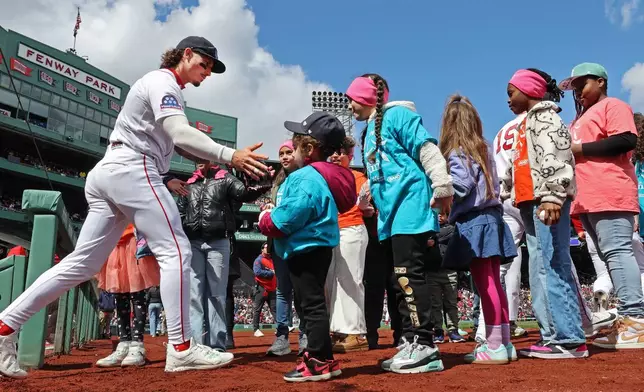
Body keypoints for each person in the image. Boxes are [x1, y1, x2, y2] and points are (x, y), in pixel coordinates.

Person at [0, 36, 270, 378]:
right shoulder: (163, 81)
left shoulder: (161, 87)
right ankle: (182, 348)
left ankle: (4, 328)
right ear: (186, 55)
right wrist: (230, 155)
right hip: (132, 168)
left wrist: (209, 158)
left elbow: (178, 143)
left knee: (82, 265)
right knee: (177, 253)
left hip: (109, 172)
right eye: (204, 64)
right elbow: (180, 133)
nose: (207, 73)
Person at [346, 74, 453, 374]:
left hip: (411, 208)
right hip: (390, 217)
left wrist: (441, 183)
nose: (350, 104)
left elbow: (426, 149)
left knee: (408, 277)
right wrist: (366, 195)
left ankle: (426, 345)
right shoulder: (369, 130)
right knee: (398, 282)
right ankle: (410, 340)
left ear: (368, 97)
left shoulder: (398, 115)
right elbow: (379, 170)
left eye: (353, 97)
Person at [258, 112, 356, 382]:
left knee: (311, 305)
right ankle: (323, 358)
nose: (292, 149)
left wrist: (266, 219)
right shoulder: (317, 176)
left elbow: (288, 218)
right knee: (309, 304)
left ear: (309, 149)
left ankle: (318, 360)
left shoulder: (306, 177)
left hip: (306, 246)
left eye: (296, 144)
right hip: (316, 245)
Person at [502, 68, 588, 359]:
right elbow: (523, 161)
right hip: (529, 202)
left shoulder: (546, 117)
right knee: (538, 269)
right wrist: (507, 188)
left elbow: (558, 156)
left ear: (530, 91)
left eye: (511, 92)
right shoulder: (527, 122)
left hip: (546, 200)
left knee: (553, 265)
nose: (508, 100)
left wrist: (553, 195)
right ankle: (552, 335)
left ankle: (570, 338)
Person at [559, 63, 644, 349]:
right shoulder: (579, 118)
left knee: (618, 252)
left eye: (582, 84)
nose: (577, 92)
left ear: (601, 82)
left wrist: (579, 149)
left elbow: (626, 139)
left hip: (610, 189)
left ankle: (637, 320)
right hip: (587, 197)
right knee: (610, 259)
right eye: (574, 87)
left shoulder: (613, 105)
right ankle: (627, 319)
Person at [437, 94, 517, 364]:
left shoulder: (458, 152)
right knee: (494, 282)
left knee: (486, 284)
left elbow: (460, 187)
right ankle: (504, 343)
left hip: (475, 221)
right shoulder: (482, 147)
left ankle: (494, 345)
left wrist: (436, 193)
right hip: (492, 218)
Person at [178, 161, 267, 351]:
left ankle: (217, 345)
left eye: (203, 153)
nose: (200, 158)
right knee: (194, 295)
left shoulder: (225, 178)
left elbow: (244, 192)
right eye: (196, 155)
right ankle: (196, 345)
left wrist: (258, 178)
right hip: (193, 242)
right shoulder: (190, 182)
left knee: (217, 294)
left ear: (211, 157)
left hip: (218, 241)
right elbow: (180, 210)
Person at [327, 136, 370, 353]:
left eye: (341, 152)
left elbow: (367, 206)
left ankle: (357, 333)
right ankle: (341, 330)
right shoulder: (325, 176)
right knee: (336, 282)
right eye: (333, 151)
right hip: (333, 232)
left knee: (351, 280)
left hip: (352, 228)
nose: (336, 156)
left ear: (350, 156)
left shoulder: (358, 177)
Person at [95, 225, 159, 367]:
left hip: (134, 241)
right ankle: (124, 343)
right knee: (120, 295)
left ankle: (137, 346)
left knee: (137, 295)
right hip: (113, 244)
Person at [267, 140, 308, 356]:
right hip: (279, 243)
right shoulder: (277, 184)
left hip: (300, 243)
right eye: (281, 153)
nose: (284, 157)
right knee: (283, 291)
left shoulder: (306, 177)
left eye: (288, 152)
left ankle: (304, 336)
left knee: (301, 292)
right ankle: (282, 338)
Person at [492, 111, 528, 338]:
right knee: (553, 254)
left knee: (503, 265)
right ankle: (577, 320)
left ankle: (490, 326)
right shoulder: (538, 117)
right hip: (528, 192)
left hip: (504, 197)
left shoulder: (501, 131)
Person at [426, 213, 466, 344]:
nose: (439, 217)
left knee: (451, 303)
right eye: (437, 214)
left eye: (442, 214)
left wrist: (432, 239)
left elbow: (444, 234)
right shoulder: (428, 229)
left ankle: (453, 330)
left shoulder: (452, 228)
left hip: (449, 270)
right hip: (432, 270)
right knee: (435, 304)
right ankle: (438, 331)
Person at [252, 243, 277, 337]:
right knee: (257, 310)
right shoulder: (259, 260)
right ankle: (256, 329)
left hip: (272, 289)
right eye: (266, 248)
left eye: (268, 248)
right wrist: (270, 273)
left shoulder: (272, 260)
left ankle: (280, 327)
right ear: (262, 249)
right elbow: (257, 272)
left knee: (275, 310)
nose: (267, 249)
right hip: (261, 288)